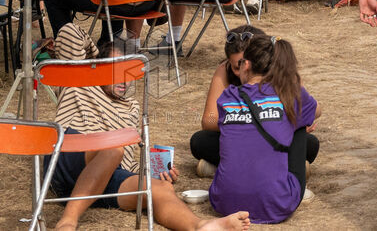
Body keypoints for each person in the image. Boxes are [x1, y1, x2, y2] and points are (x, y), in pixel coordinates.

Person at [43, 22, 251, 231]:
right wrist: (99, 64)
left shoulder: (132, 107)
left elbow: (127, 162)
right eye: (116, 69)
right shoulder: (78, 81)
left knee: (161, 188)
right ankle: (68, 221)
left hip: (103, 176)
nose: (124, 79)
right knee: (112, 149)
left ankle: (201, 226)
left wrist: (152, 171)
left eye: (129, 72)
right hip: (67, 156)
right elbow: (69, 32)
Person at [209, 33, 318, 224]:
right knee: (299, 124)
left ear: (246, 65)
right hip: (277, 204)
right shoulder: (289, 95)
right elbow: (317, 111)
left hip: (224, 203)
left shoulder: (228, 96)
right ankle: (286, 181)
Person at [191, 25, 322, 180]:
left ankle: (222, 167)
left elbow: (312, 109)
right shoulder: (224, 72)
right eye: (235, 66)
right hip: (241, 139)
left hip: (271, 138)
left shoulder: (282, 70)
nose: (241, 71)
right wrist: (242, 124)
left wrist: (284, 125)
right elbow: (208, 120)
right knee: (199, 141)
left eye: (243, 63)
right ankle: (290, 167)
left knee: (310, 143)